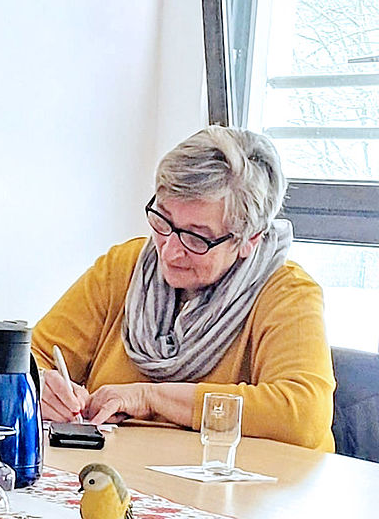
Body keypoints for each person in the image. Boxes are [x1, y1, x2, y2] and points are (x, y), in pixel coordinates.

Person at [33, 126, 336, 451]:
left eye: (196, 237)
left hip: (238, 480)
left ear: (249, 239)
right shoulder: (124, 267)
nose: (170, 250)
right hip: (124, 469)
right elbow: (31, 358)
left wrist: (150, 398)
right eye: (163, 221)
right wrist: (40, 385)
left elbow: (303, 415)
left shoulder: (287, 293)